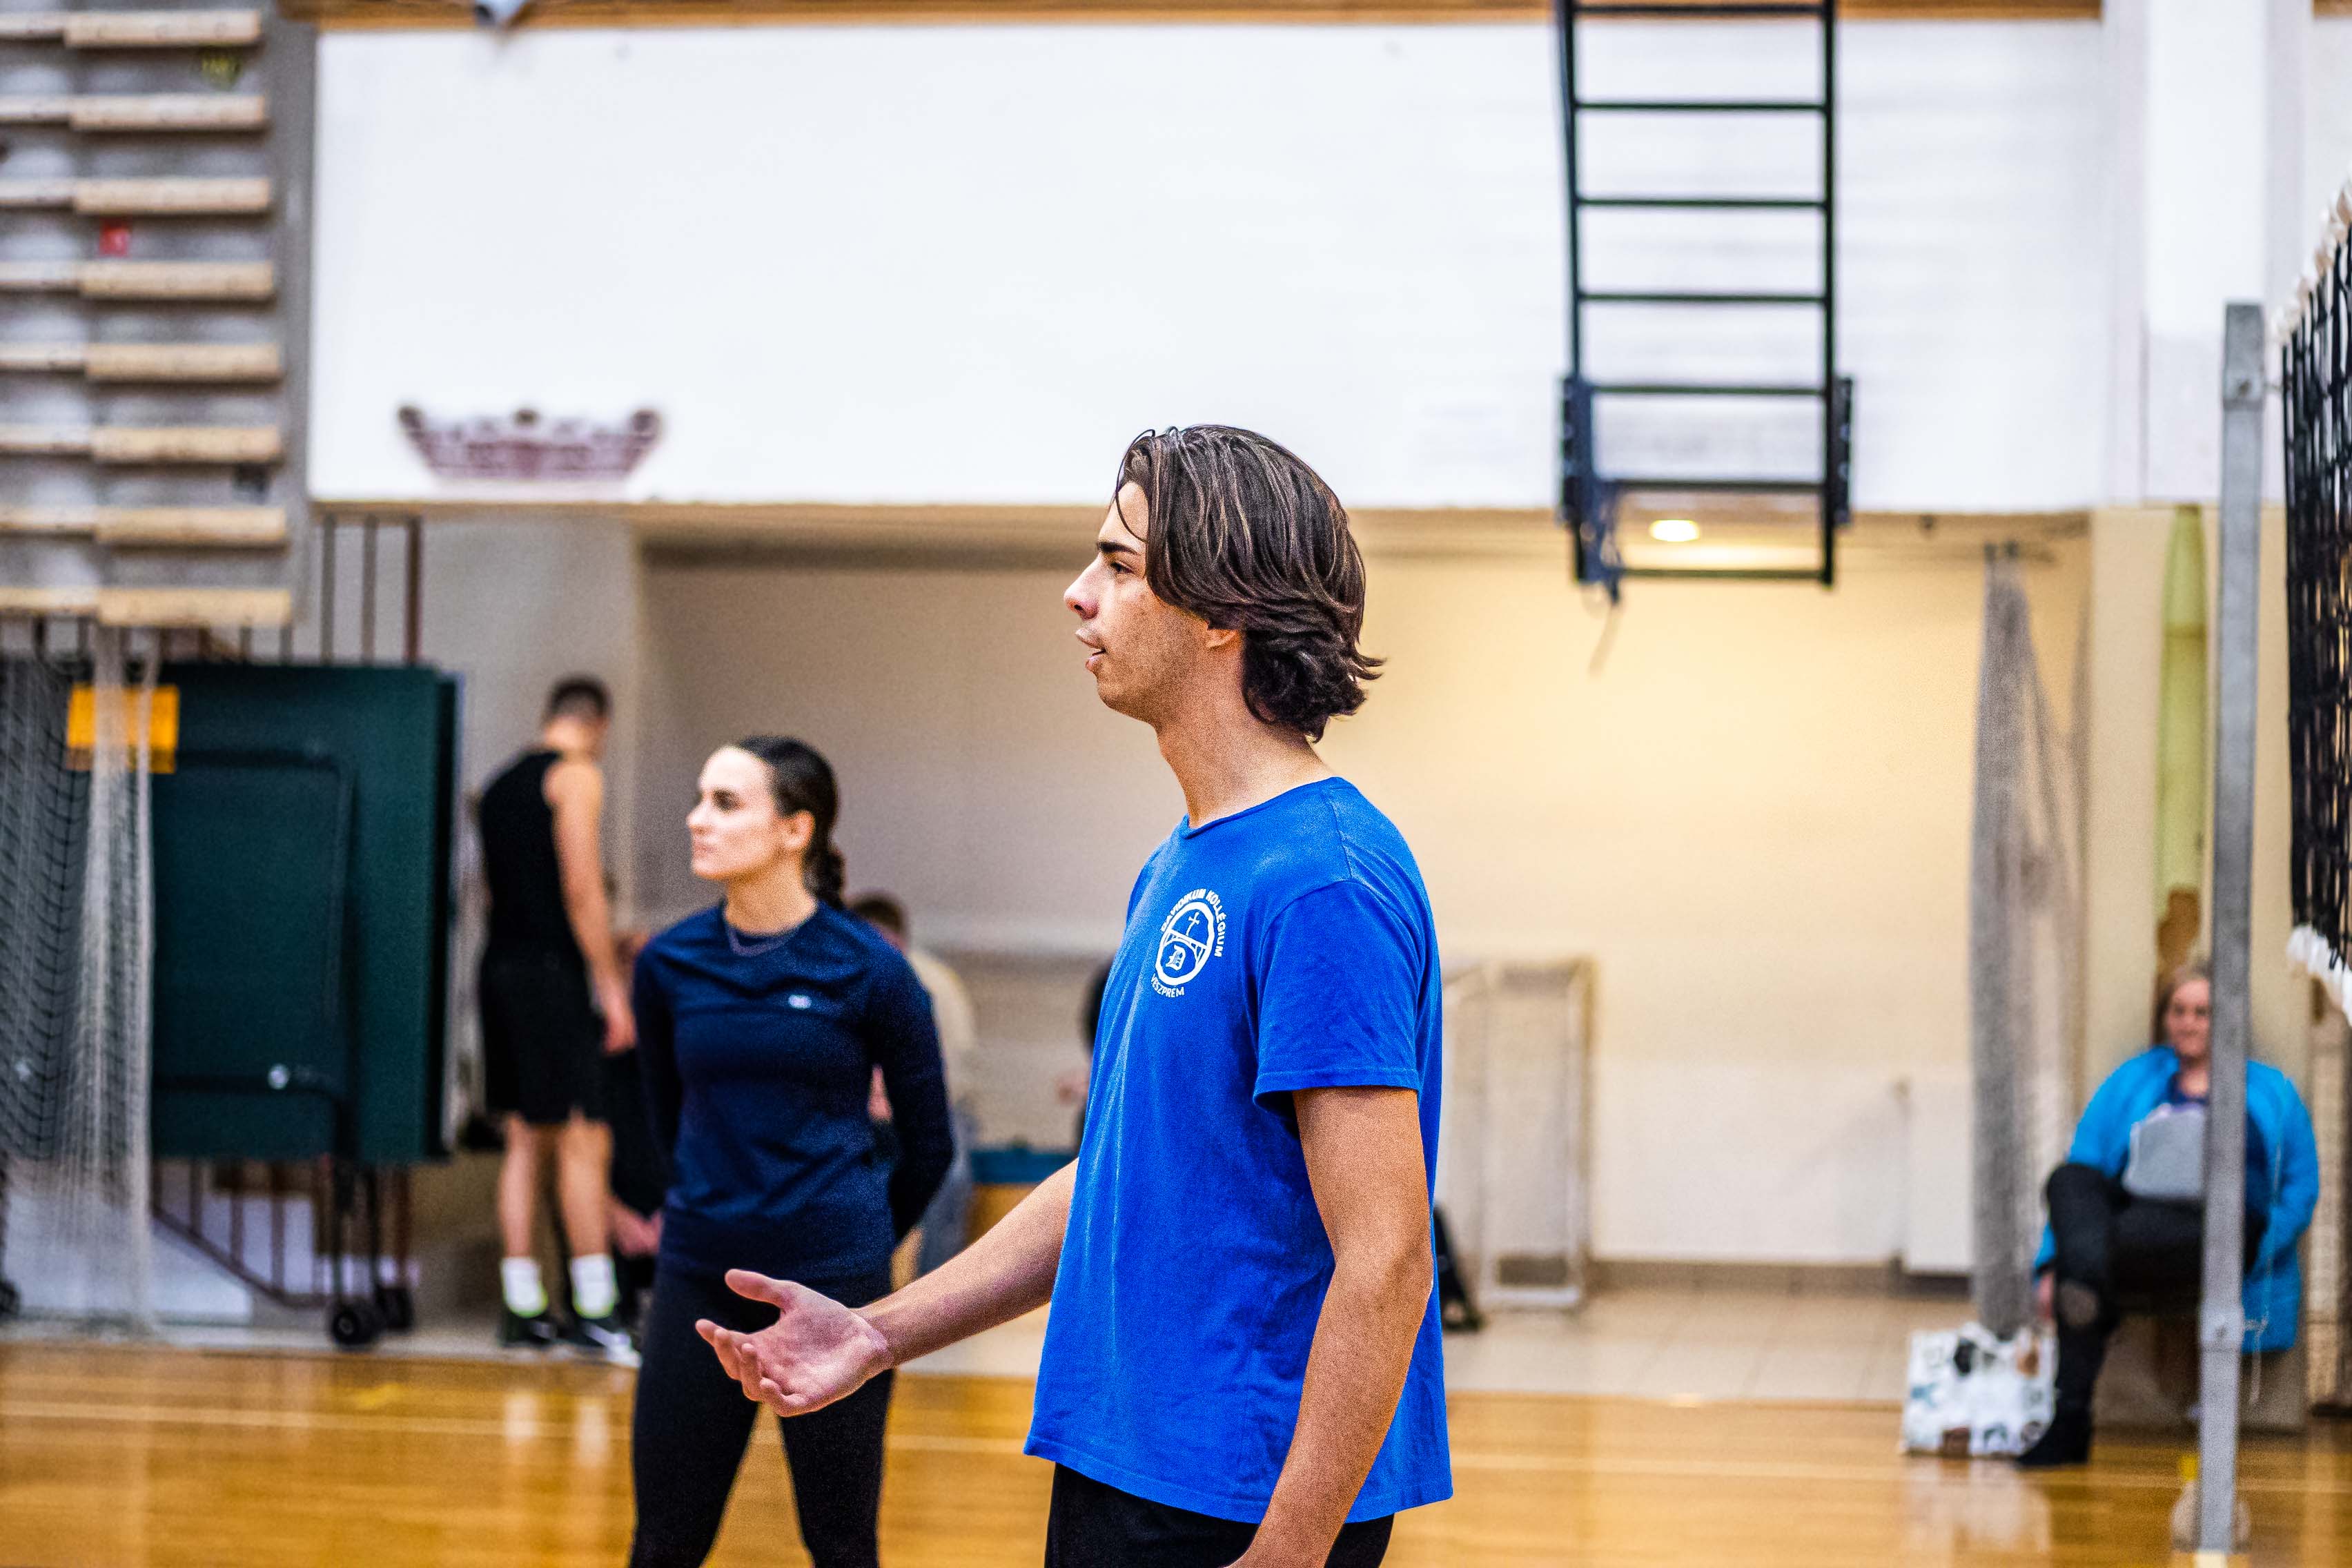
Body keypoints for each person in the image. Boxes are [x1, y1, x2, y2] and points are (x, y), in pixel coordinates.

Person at [701, 426, 1452, 1568]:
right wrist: (874, 1333)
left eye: (1117, 563)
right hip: (1122, 1460)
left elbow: (1387, 1255)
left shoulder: (1321, 882)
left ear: (1220, 611)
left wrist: (1291, 1550)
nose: (1077, 593)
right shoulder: (1183, 860)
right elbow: (1117, 1178)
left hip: (1239, 1501)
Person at [628, 736, 952, 1568]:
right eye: (700, 797)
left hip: (833, 1286)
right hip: (697, 1277)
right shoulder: (668, 963)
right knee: (664, 1541)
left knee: (841, 1543)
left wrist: (856, 1243)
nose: (697, 819)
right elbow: (663, 1119)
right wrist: (706, 1207)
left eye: (726, 802)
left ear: (795, 830)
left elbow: (930, 1141)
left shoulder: (872, 969)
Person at [2017, 960, 2320, 1469]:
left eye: (2202, 1012)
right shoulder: (2131, 1081)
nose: (2188, 1023)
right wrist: (2050, 1264)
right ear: (2165, 1017)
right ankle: (2079, 1287)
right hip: (2133, 1228)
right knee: (2068, 1180)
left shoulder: (2273, 1092)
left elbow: (2300, 1189)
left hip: (2220, 1239)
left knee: (2082, 1272)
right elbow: (2085, 1169)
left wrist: (2257, 1248)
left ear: (2225, 1018)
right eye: (2179, 1010)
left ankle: (2080, 1321)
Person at [476, 675, 634, 1353]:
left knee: (522, 1137)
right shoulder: (577, 776)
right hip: (550, 971)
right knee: (582, 1136)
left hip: (499, 967)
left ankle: (523, 1307)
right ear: (599, 725)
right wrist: (611, 987)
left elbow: (492, 892)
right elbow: (581, 886)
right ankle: (596, 1309)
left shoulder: (498, 786)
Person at [849, 892, 980, 1277]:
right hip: (860, 1111)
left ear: (902, 942)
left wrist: (900, 1101)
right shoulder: (840, 978)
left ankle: (937, 1283)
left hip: (930, 1105)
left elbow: (952, 1075)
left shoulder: (935, 983)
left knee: (951, 1175)